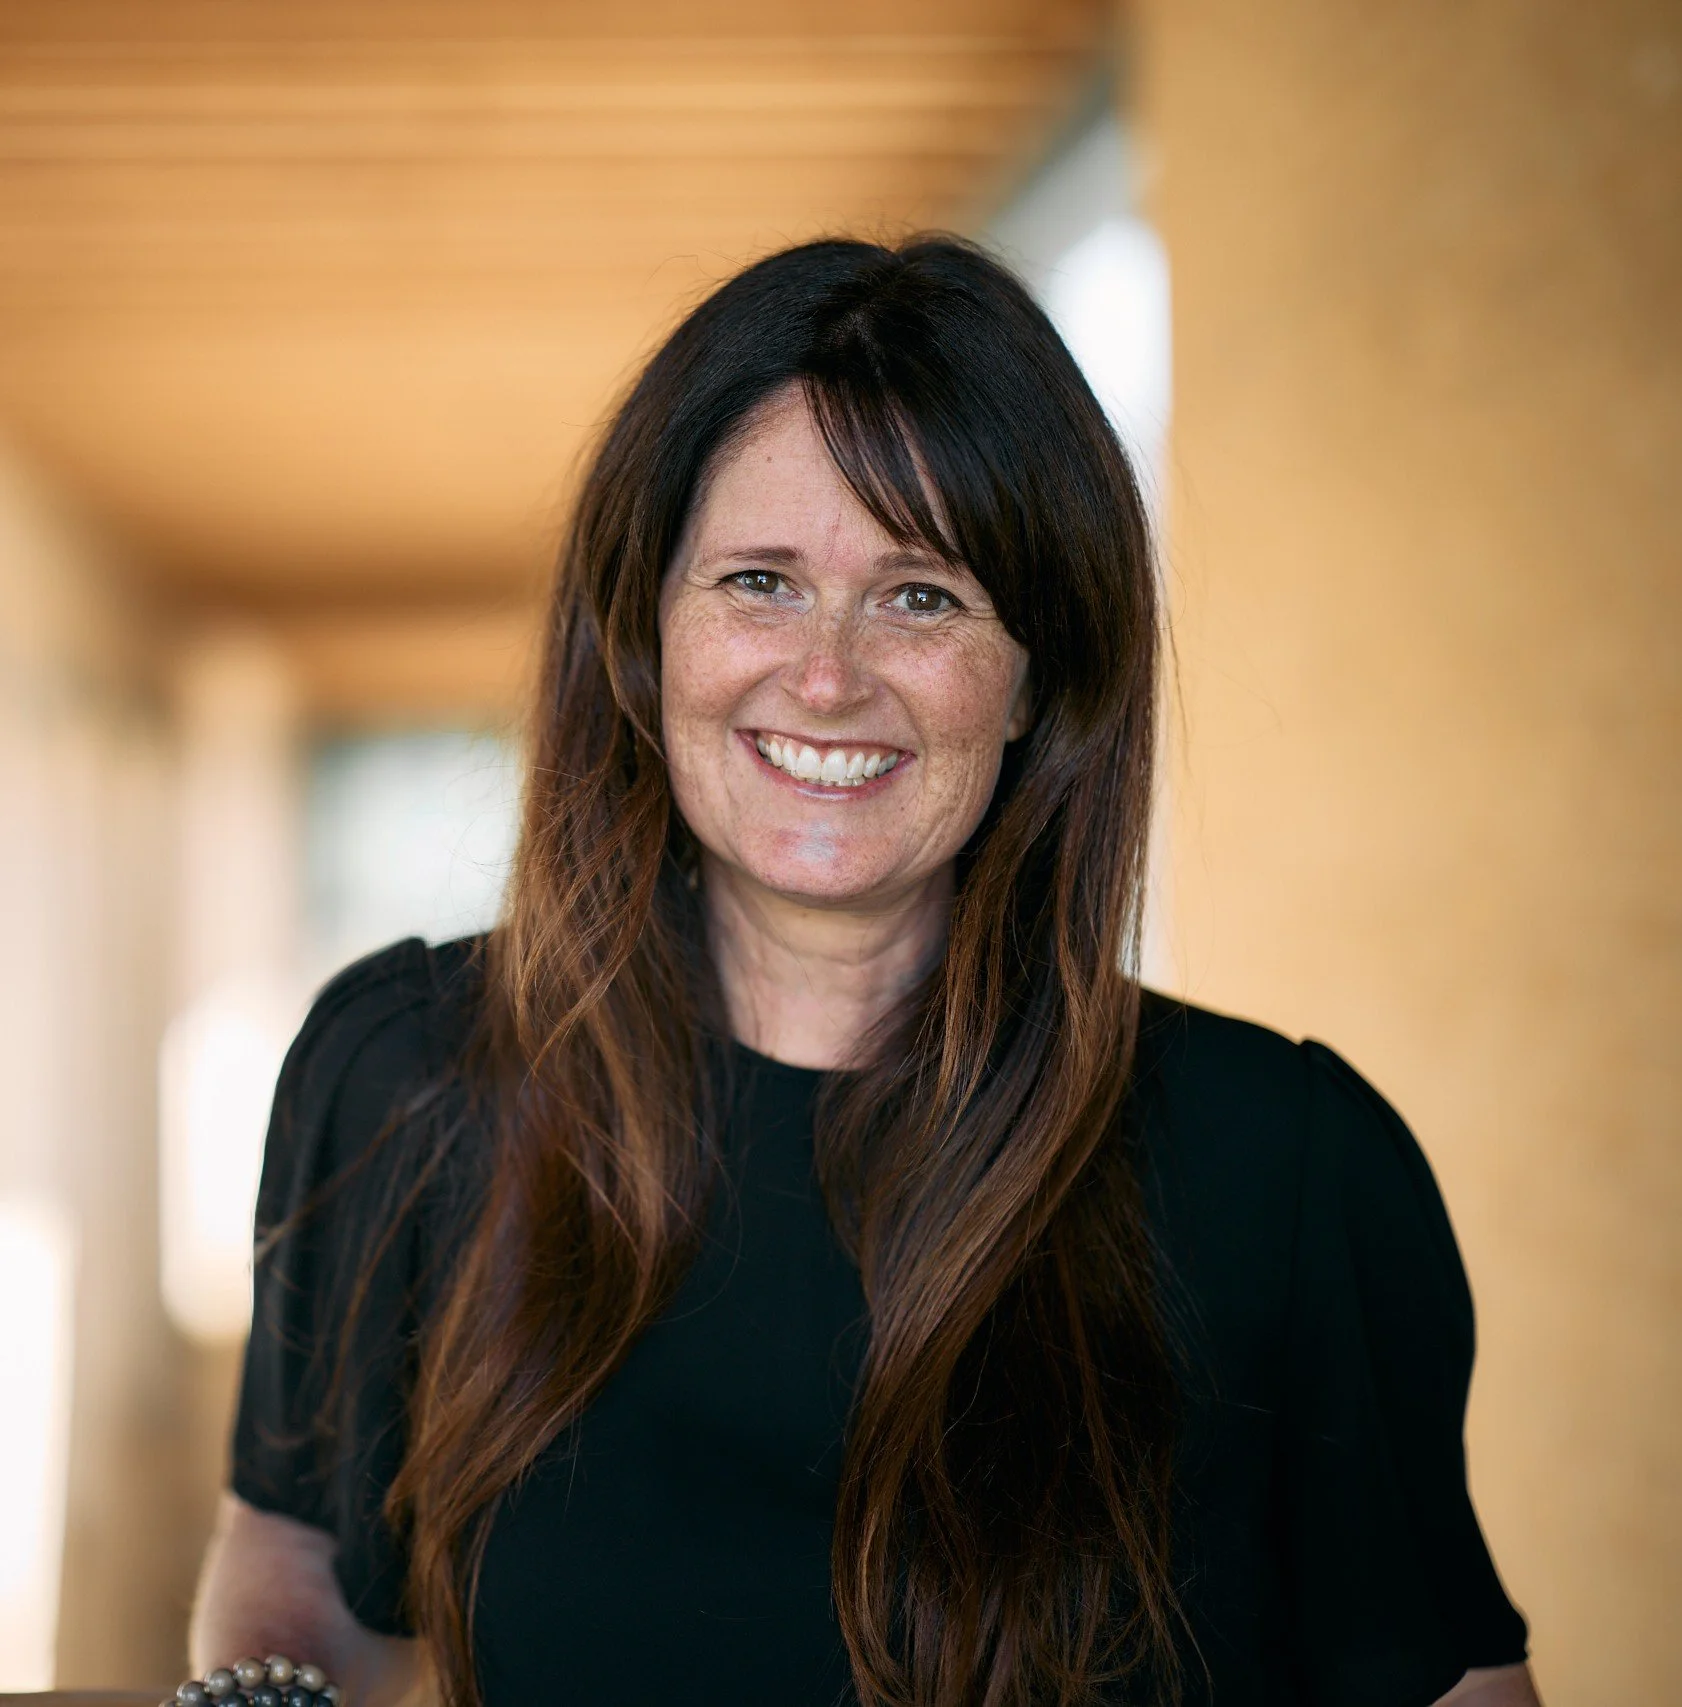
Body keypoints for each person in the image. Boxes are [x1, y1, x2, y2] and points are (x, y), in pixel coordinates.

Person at [191, 237, 1539, 1707]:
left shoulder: (1285, 1169)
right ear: (645, 635)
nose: (827, 676)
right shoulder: (410, 1075)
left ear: (1040, 673)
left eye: (920, 596)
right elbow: (302, 1559)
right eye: (760, 581)